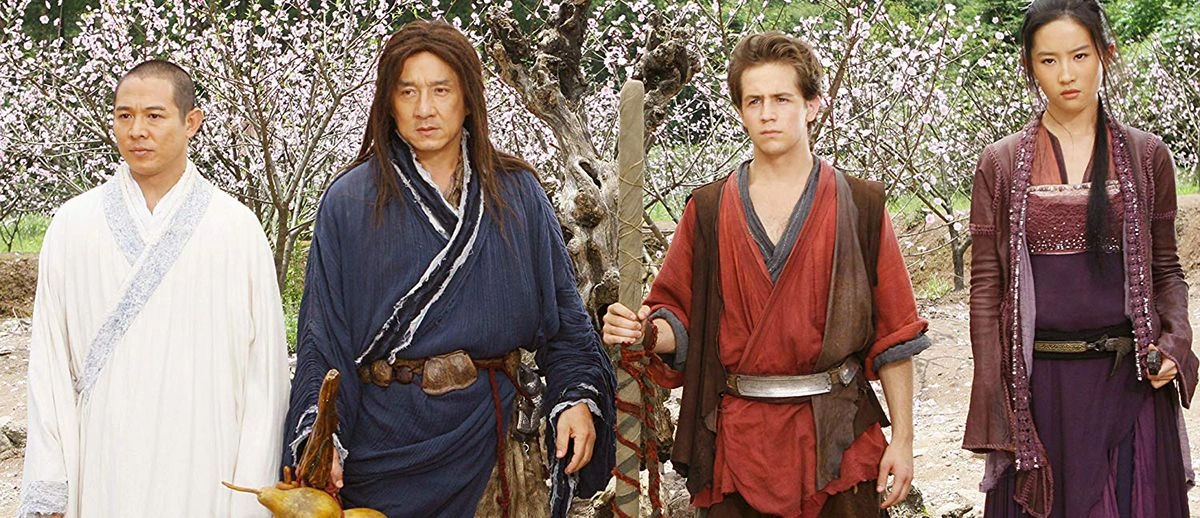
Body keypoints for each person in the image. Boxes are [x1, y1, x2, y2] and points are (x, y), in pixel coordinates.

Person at [280, 20, 615, 518]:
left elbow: (565, 327)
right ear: (388, 103)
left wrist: (575, 399)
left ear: (468, 99)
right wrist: (321, 438)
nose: (424, 109)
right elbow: (322, 343)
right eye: (407, 91)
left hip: (495, 444)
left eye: (441, 90)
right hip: (385, 447)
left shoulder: (517, 193)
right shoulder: (348, 202)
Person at [603, 32, 929, 517]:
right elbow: (678, 318)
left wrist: (902, 440)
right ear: (740, 110)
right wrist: (644, 332)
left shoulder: (861, 206)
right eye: (754, 101)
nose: (767, 114)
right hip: (739, 441)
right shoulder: (708, 209)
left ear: (813, 105)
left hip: (838, 436)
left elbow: (895, 336)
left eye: (782, 99)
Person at [18, 60, 291, 517]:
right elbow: (48, 364)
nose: (137, 131)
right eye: (124, 116)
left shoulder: (236, 228)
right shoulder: (73, 225)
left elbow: (265, 376)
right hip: (104, 456)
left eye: (154, 116)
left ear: (191, 122)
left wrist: (251, 493)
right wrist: (51, 480)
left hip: (208, 457)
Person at [963, 1, 1196, 516]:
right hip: (1039, 391)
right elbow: (987, 287)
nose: (1066, 74)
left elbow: (1166, 269)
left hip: (1129, 382)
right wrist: (994, 393)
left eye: (1079, 55)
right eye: (1048, 60)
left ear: (1105, 55)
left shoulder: (1147, 155)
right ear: (1029, 66)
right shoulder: (1001, 163)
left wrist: (1175, 344)